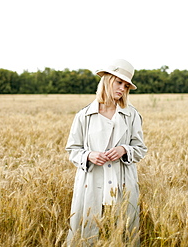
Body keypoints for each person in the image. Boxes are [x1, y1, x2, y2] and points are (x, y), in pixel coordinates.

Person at [65, 59, 147, 246]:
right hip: (92, 183)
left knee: (123, 234)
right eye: (119, 82)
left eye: (126, 85)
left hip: (122, 184)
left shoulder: (131, 114)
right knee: (87, 235)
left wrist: (124, 149)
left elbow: (141, 149)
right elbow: (73, 149)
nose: (122, 89)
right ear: (107, 80)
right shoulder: (84, 115)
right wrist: (89, 155)